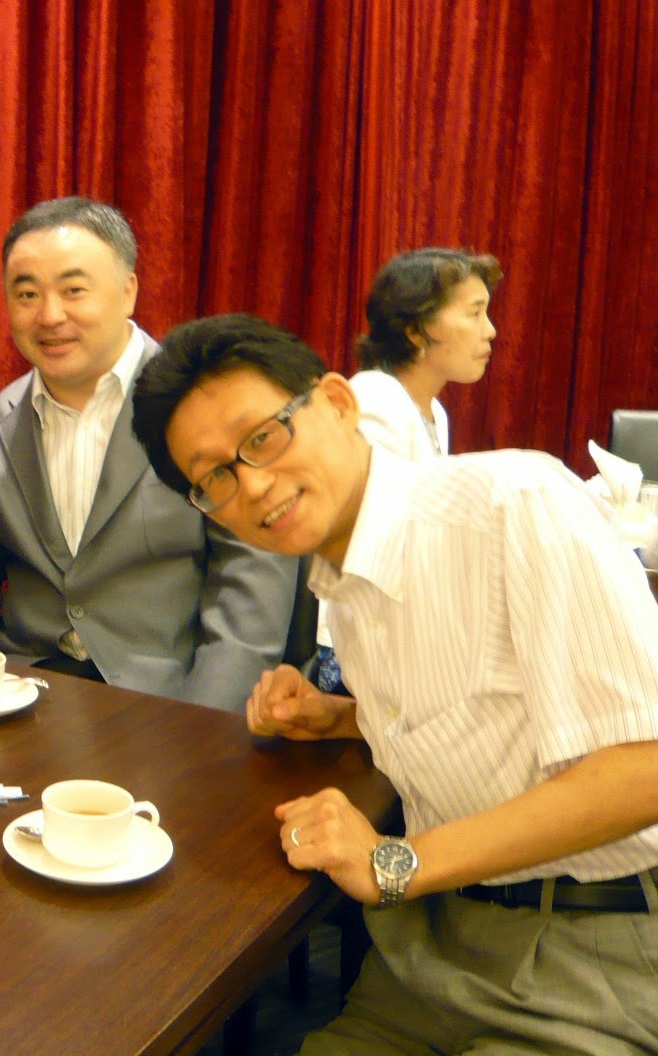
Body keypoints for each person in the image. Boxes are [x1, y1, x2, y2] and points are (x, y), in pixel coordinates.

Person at [132, 313, 658, 1055]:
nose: (252, 484)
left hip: (591, 950)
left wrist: (398, 862)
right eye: (214, 476)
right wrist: (343, 716)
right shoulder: (340, 578)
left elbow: (643, 768)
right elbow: (491, 704)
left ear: (338, 402)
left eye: (263, 436)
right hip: (429, 953)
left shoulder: (513, 501)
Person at [0, 197, 298, 710]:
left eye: (73, 290)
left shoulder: (210, 411)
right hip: (23, 697)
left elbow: (250, 579)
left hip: (167, 704)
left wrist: (201, 725)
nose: (49, 315)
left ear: (128, 291)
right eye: (27, 294)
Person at [314, 247, 503, 691]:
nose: (491, 330)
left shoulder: (432, 411)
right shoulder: (376, 402)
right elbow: (383, 549)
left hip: (406, 636)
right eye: (475, 313)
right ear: (415, 330)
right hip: (360, 651)